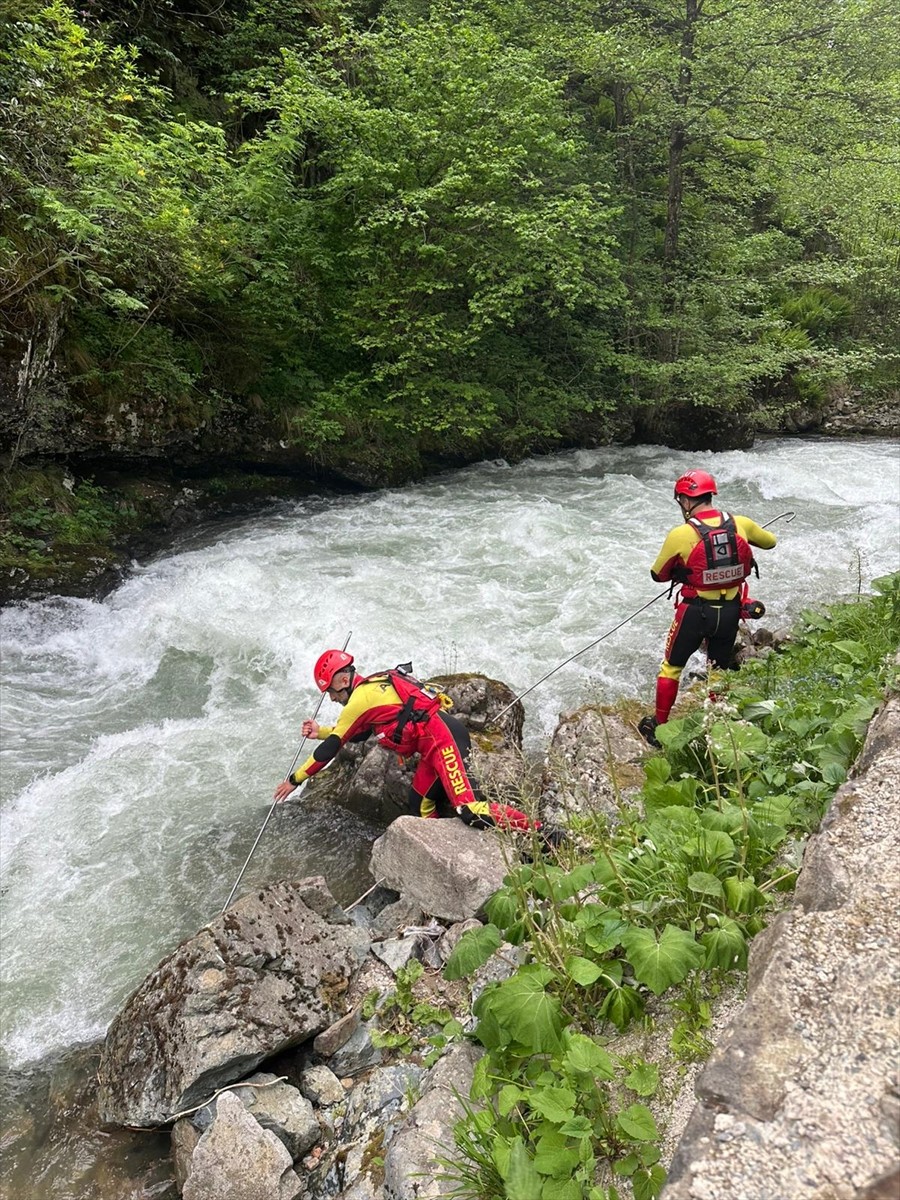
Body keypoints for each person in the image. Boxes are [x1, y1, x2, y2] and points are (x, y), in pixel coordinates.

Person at [273, 650, 544, 834]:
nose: (331, 698)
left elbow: (329, 749)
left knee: (468, 810)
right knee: (420, 806)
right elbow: (358, 733)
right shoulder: (371, 689)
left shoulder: (359, 700)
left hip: (444, 740)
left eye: (331, 692)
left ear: (344, 679)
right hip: (433, 748)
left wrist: (294, 780)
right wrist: (320, 731)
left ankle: (540, 833)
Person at [638, 470, 777, 748]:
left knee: (672, 667)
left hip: (694, 613)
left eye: (681, 501)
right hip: (730, 613)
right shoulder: (741, 524)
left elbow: (658, 574)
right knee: (718, 669)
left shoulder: (681, 534)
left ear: (686, 501)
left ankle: (660, 727)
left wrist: (683, 571)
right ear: (710, 495)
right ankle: (716, 724)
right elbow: (770, 542)